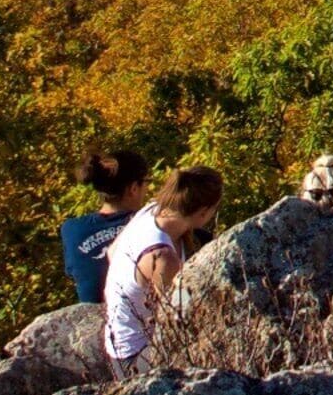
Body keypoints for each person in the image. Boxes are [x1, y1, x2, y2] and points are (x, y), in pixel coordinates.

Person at [100, 164, 225, 372]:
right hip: (134, 357)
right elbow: (175, 323)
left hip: (118, 341)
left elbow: (112, 253)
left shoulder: (151, 211)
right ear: (203, 213)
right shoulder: (163, 257)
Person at [59, 145, 151, 304]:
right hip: (139, 320)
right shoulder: (150, 222)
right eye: (146, 182)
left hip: (91, 319)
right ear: (134, 188)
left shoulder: (72, 230)